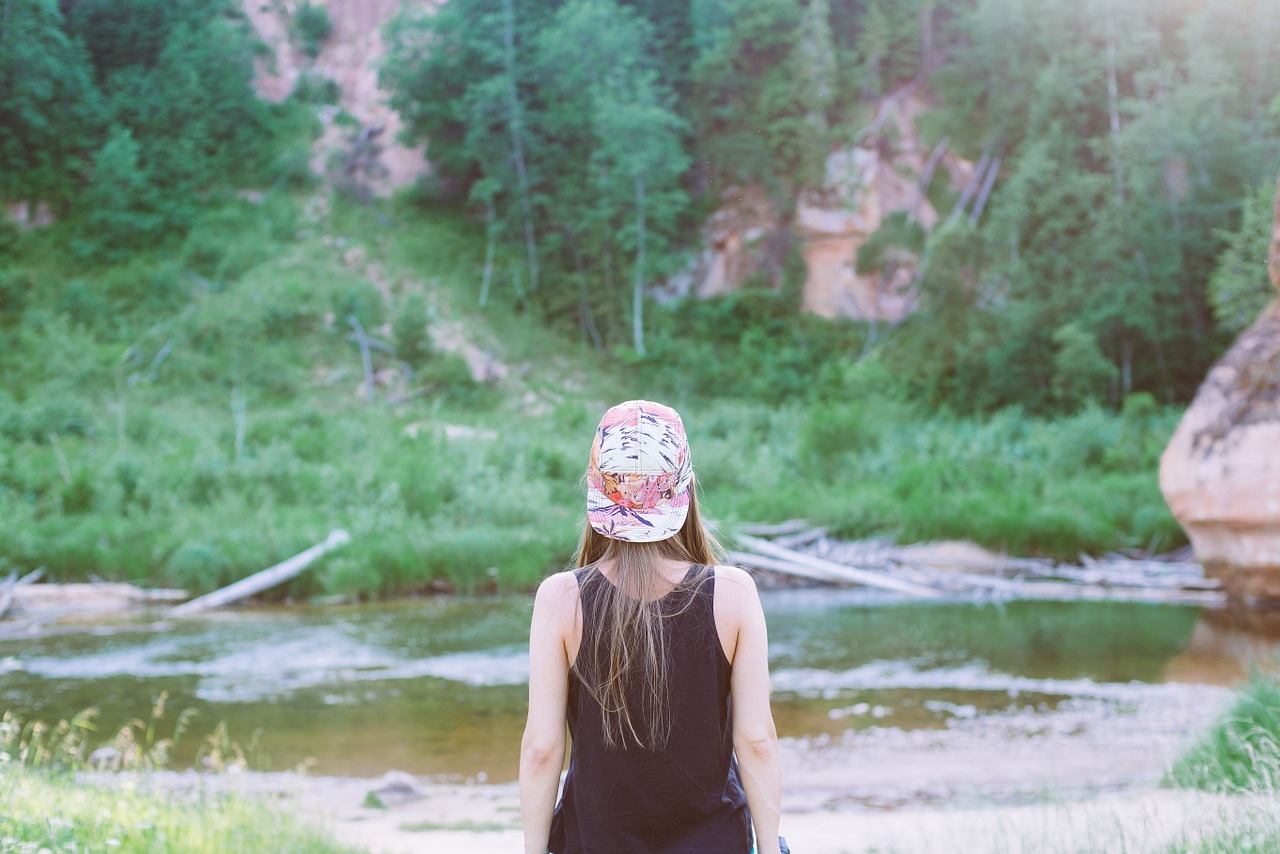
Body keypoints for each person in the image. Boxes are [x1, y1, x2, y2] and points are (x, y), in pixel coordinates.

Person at [519, 399, 785, 854]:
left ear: (596, 491)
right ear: (685, 489)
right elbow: (756, 740)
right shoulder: (734, 593)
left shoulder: (560, 599)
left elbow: (542, 750)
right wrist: (770, 845)